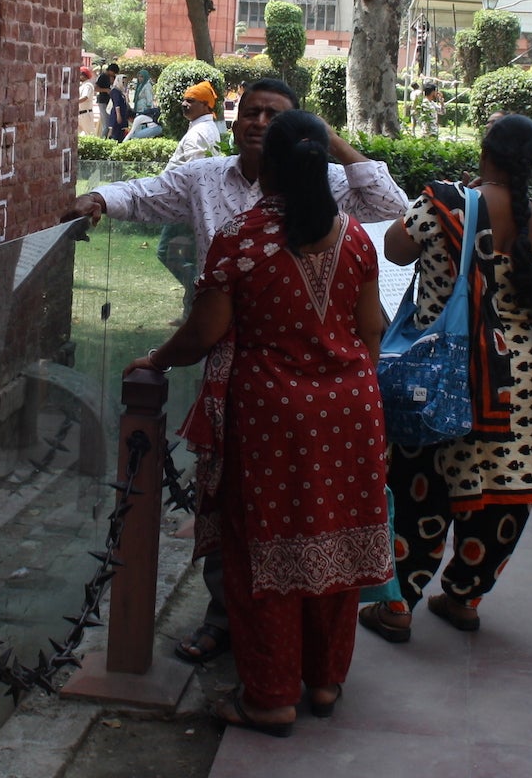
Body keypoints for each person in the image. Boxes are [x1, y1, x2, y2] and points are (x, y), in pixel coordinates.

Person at [64, 78, 407, 664]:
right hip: (244, 376)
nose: (257, 123)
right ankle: (236, 624)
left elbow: (394, 210)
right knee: (235, 506)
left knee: (291, 509)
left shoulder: (324, 188)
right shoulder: (206, 180)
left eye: (273, 116)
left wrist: (333, 146)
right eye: (249, 113)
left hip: (294, 382)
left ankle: (284, 649)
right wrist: (100, 200)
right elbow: (148, 194)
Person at [125, 110, 391, 735]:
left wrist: (159, 358)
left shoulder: (242, 238)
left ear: (266, 166)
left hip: (271, 414)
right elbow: (372, 328)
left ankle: (271, 696)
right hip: (351, 413)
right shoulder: (353, 236)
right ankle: (324, 683)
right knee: (339, 540)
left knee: (261, 551)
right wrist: (350, 388)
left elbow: (207, 331)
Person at [361, 116, 532, 640]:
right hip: (521, 387)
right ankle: (464, 597)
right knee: (505, 493)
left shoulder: (444, 203)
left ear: (485, 154)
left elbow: (393, 249)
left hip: (449, 376)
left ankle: (398, 606)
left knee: (421, 492)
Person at [167, 80, 225, 167]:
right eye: (184, 100)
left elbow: (195, 173)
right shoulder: (208, 126)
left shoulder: (197, 134)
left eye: (190, 101)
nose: (183, 104)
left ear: (205, 105)